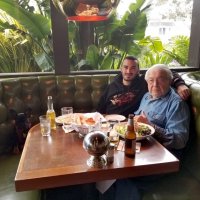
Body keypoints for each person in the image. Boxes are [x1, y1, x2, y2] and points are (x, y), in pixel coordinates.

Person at [112, 64, 190, 200]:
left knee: (125, 176)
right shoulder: (147, 96)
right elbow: (137, 118)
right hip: (144, 149)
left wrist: (149, 125)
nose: (155, 84)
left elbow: (179, 140)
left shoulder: (177, 104)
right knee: (111, 165)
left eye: (161, 79)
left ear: (169, 81)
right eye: (151, 80)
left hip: (164, 157)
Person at [97, 56, 190, 117]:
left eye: (133, 68)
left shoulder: (144, 82)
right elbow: (100, 107)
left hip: (128, 124)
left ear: (138, 70)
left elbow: (168, 72)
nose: (128, 71)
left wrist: (180, 85)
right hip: (108, 122)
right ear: (121, 69)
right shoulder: (113, 84)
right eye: (125, 67)